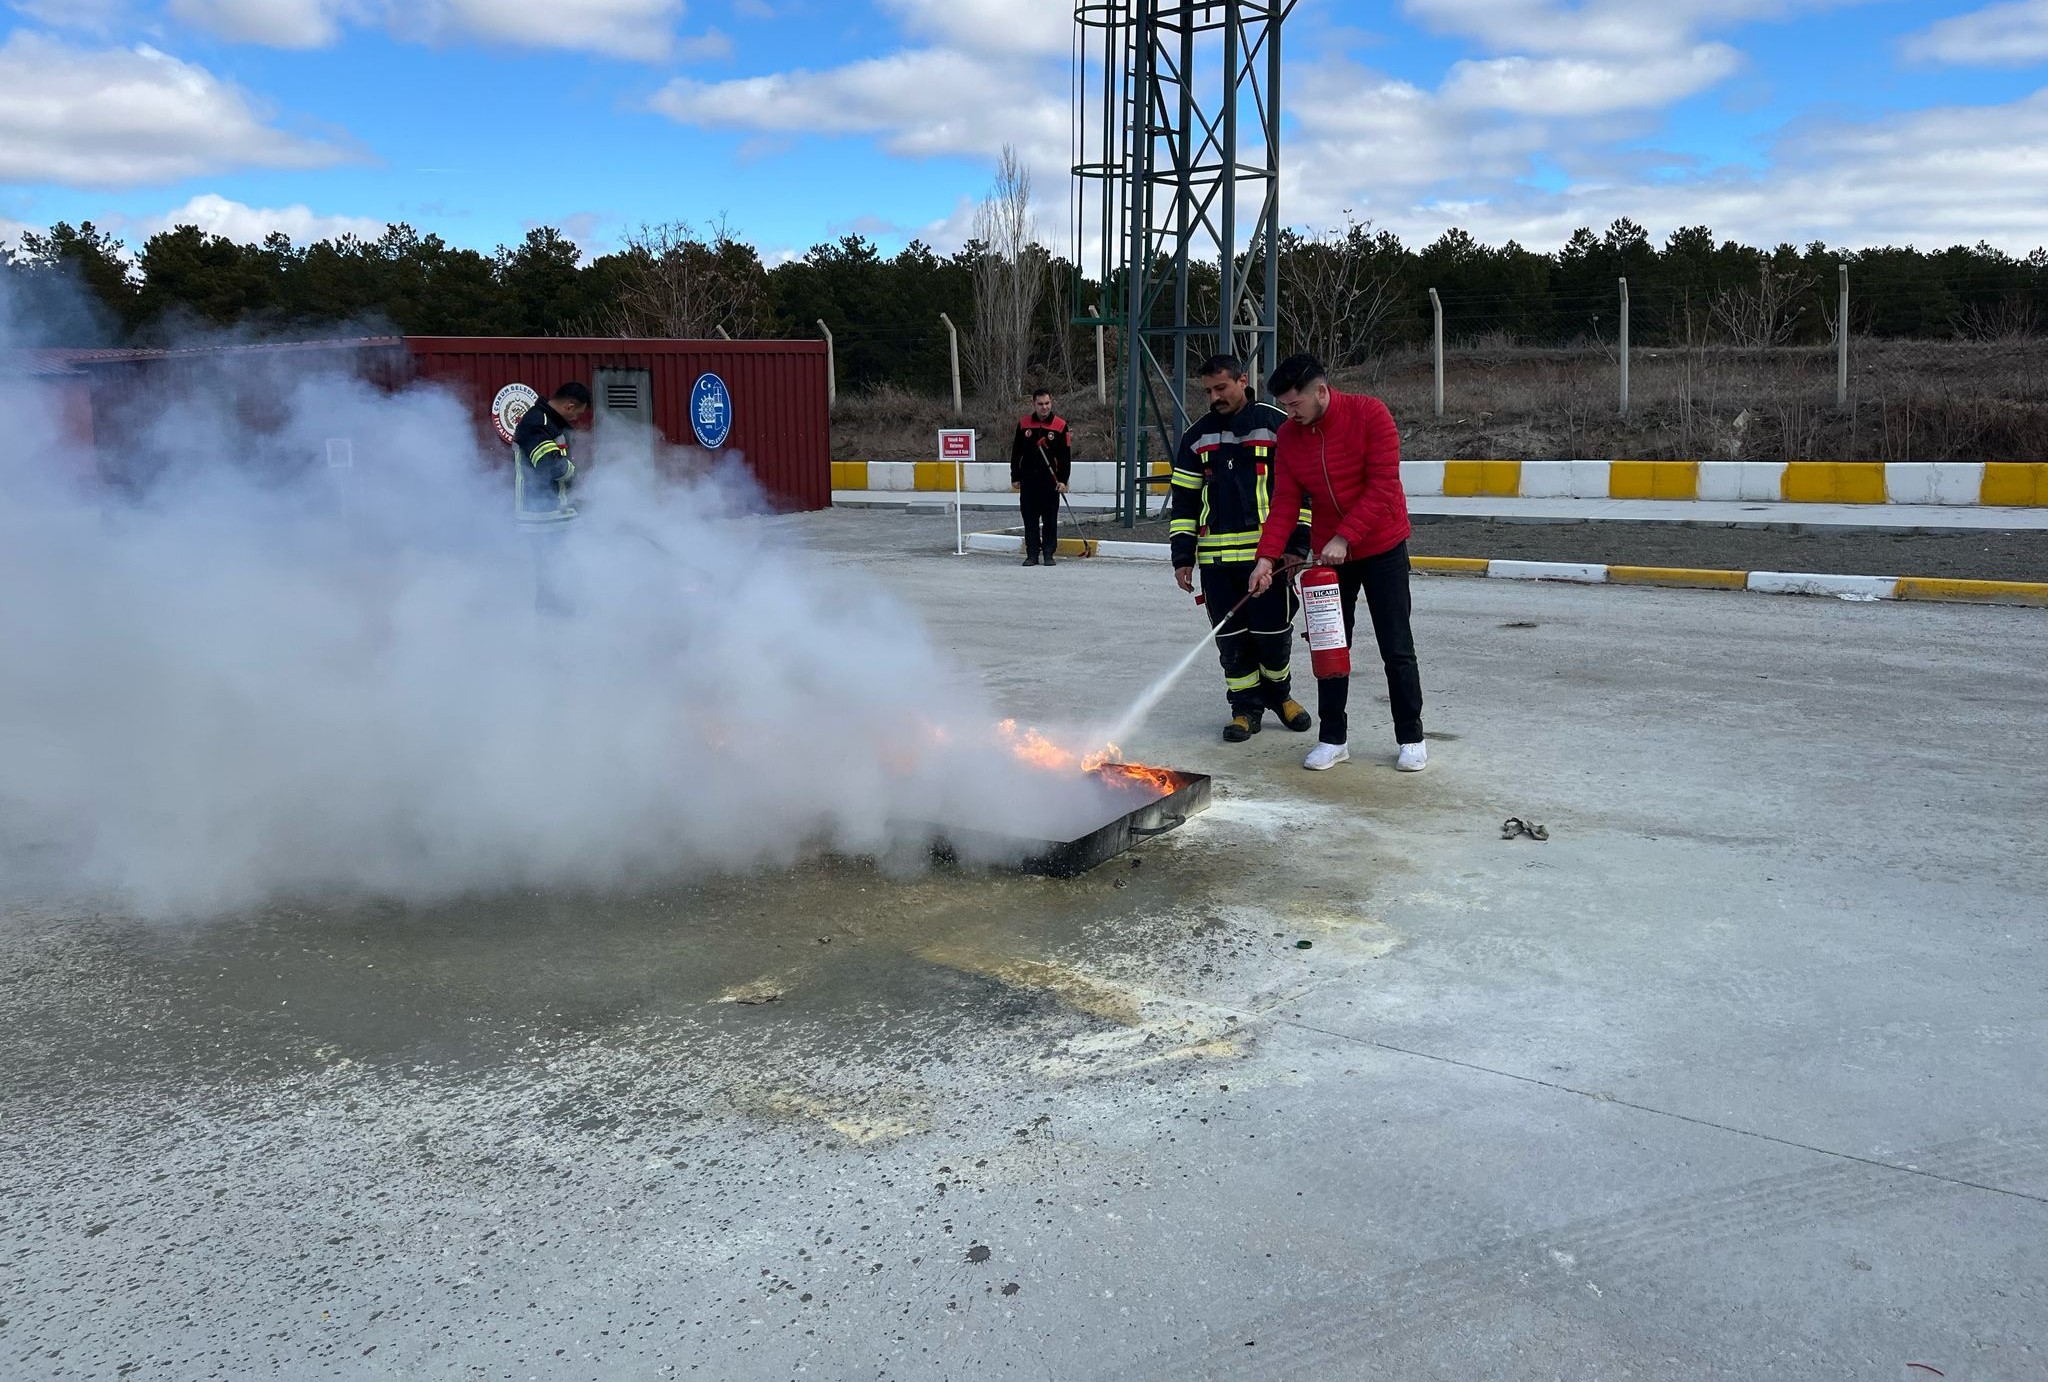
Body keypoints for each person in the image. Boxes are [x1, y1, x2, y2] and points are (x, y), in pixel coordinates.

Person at [1249, 354, 1427, 773]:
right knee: (1331, 644)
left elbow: (1384, 485)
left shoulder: (1370, 415)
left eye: (1294, 405)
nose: (1289, 415)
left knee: (1396, 646)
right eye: (1285, 407)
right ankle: (1333, 738)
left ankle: (1411, 736)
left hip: (1381, 546)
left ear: (1321, 392)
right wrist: (1265, 559)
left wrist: (1345, 536)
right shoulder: (1291, 437)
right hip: (1330, 559)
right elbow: (1285, 504)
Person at [1169, 354, 1314, 742]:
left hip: (1267, 561)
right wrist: (1182, 557)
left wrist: (1297, 546)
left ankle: (1280, 698)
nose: (1215, 397)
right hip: (1217, 564)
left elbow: (1300, 492)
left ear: (1242, 381)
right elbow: (1184, 501)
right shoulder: (1196, 437)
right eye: (1208, 391)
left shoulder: (1274, 425)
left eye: (1222, 388)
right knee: (1231, 642)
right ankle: (1245, 708)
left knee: (1274, 635)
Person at [1009, 388, 1071, 566]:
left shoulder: (1060, 426)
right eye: (1040, 404)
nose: (1044, 407)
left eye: (1047, 403)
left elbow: (1065, 457)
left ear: (1051, 403)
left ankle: (1049, 553)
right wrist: (1015, 475)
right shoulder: (1024, 424)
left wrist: (1063, 480)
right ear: (1034, 404)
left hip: (1050, 481)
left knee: (1050, 518)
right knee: (1030, 518)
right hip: (1028, 480)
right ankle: (1032, 554)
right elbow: (1016, 453)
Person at [513, 381, 590, 521]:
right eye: (577, 414)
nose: (575, 419)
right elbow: (549, 465)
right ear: (569, 407)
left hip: (554, 514)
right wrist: (576, 473)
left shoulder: (553, 423)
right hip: (538, 516)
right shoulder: (537, 422)